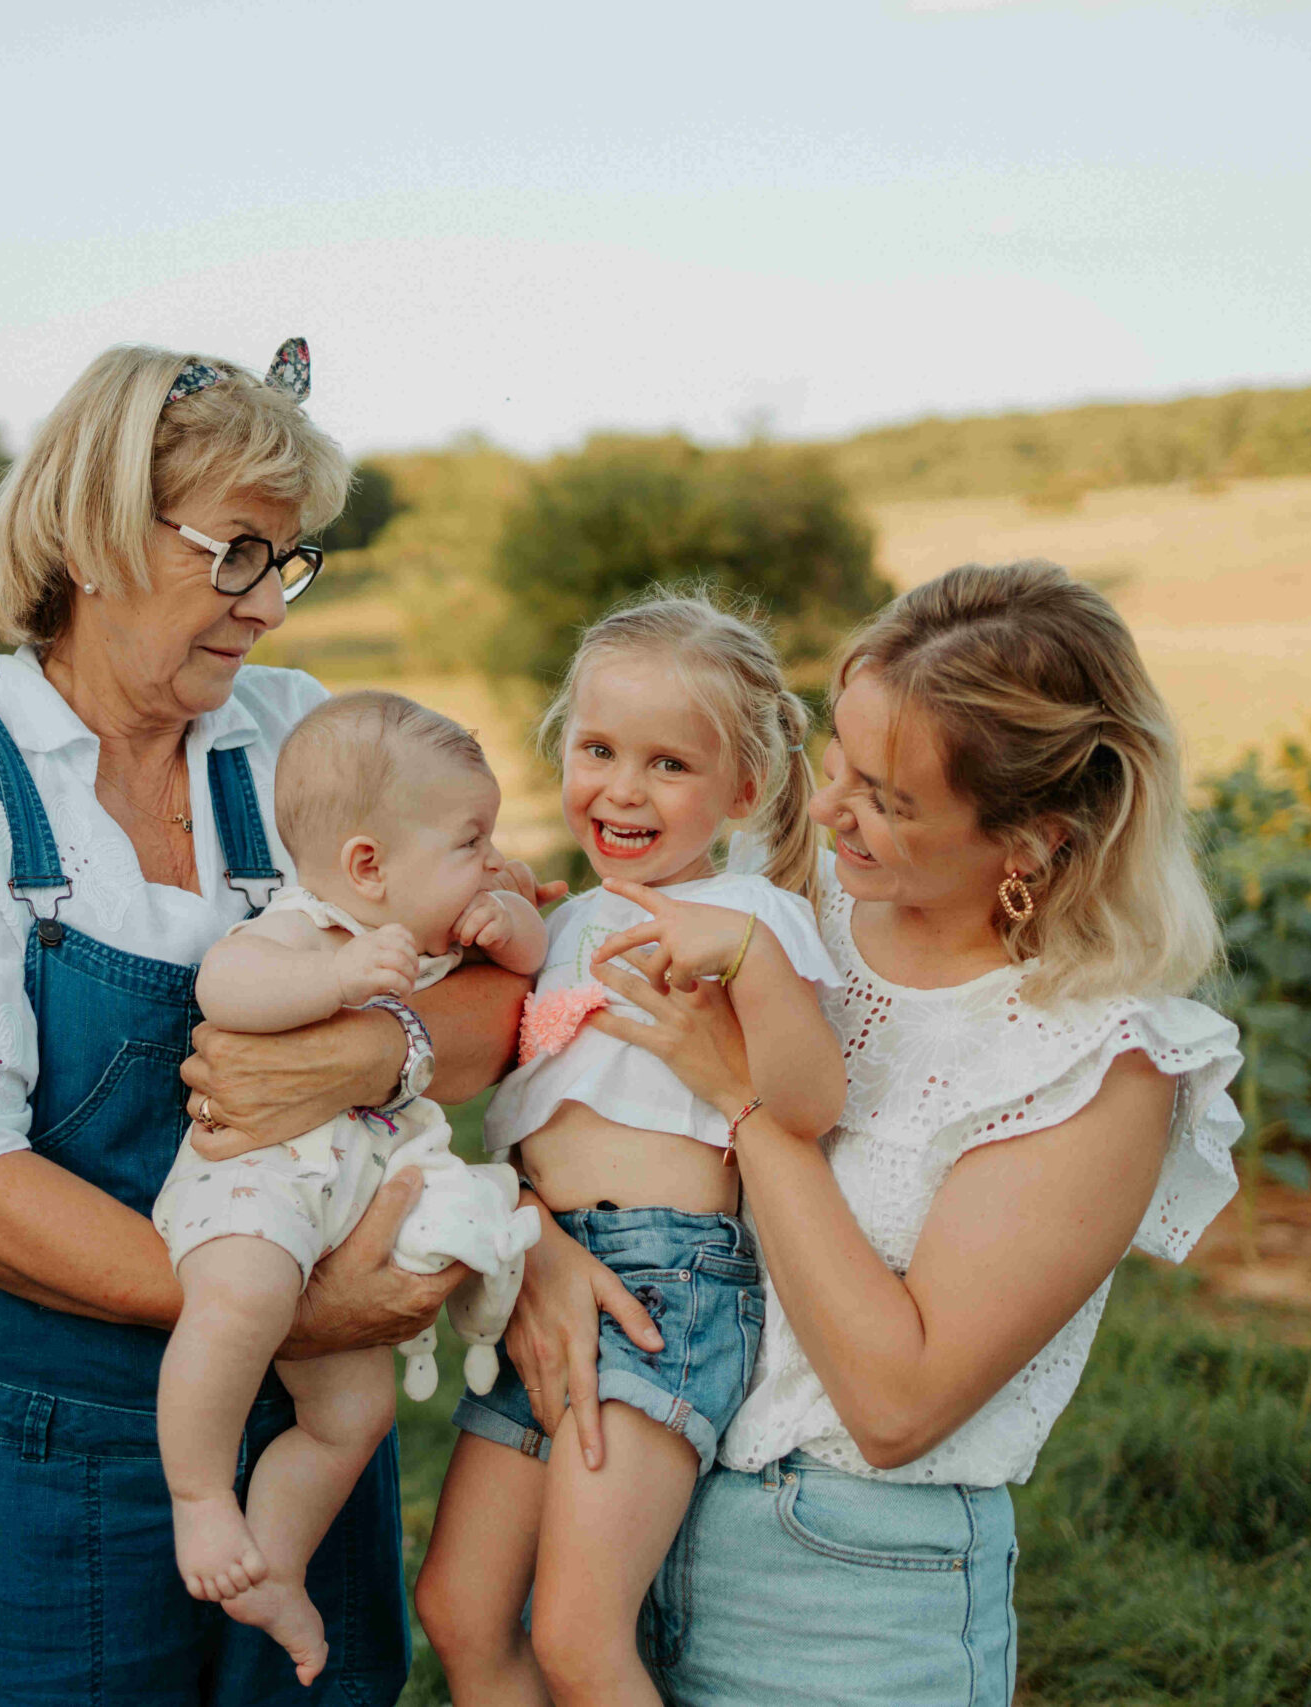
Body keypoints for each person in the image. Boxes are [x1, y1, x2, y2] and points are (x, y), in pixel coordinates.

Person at [0, 340, 540, 1705]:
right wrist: (291, 1305)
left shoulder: (299, 736)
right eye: (238, 549)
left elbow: (502, 977)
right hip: (30, 1460)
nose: (268, 607)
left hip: (300, 1443)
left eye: (289, 560)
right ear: (92, 531)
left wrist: (381, 1050)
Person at [501, 562, 1244, 1707]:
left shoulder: (1099, 1065)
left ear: (1031, 844)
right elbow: (552, 1050)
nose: (832, 809)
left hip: (846, 1600)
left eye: (888, 799)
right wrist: (536, 1242)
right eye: (837, 761)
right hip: (631, 1504)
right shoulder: (800, 903)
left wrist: (748, 1108)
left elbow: (895, 1407)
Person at [414, 593, 846, 1707]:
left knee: (577, 1634)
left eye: (668, 765)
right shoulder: (562, 926)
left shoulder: (749, 914)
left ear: (744, 791)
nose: (621, 788)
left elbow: (807, 1102)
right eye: (598, 750)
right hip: (541, 1263)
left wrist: (746, 959)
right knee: (459, 1612)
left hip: (671, 1282)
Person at [157, 690, 544, 1683]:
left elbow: (528, 971)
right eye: (471, 842)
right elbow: (223, 988)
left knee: (354, 1414)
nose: (488, 858)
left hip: (344, 1214)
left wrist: (508, 918)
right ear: (369, 865)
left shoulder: (432, 936)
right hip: (254, 1193)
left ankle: (272, 1564)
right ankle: (200, 1498)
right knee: (240, 1302)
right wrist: (339, 984)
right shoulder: (307, 928)